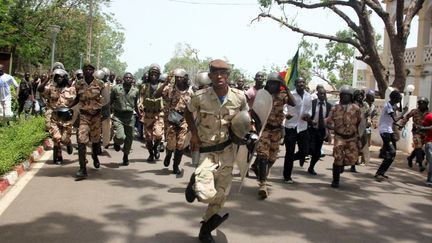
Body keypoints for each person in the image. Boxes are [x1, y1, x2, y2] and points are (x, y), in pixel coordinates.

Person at [184, 59, 248, 243]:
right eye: (215, 73)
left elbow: (245, 118)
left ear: (228, 75)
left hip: (227, 151)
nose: (219, 76)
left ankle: (206, 229)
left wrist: (248, 132)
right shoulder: (200, 96)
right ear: (210, 75)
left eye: (223, 73)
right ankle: (195, 181)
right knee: (206, 195)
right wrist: (194, 134)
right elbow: (188, 112)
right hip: (206, 151)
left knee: (221, 195)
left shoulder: (239, 97)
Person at [252, 72, 295, 199]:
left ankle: (257, 167)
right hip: (265, 129)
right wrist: (257, 127)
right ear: (267, 84)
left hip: (277, 131)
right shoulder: (262, 95)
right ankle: (263, 184)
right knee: (263, 156)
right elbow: (254, 111)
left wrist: (286, 88)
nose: (273, 86)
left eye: (276, 83)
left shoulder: (282, 95)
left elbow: (293, 103)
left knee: (272, 158)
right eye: (271, 83)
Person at [69, 64, 104, 180]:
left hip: (96, 117)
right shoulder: (79, 84)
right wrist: (68, 107)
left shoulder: (100, 83)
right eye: (86, 70)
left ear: (93, 71)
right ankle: (82, 168)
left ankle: (94, 156)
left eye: (90, 69)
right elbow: (77, 99)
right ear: (83, 72)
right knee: (81, 140)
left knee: (96, 140)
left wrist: (106, 115)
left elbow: (106, 99)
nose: (88, 71)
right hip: (84, 116)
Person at [156, 68, 193, 174]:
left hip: (184, 120)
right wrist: (166, 82)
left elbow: (194, 108)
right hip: (171, 119)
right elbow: (157, 95)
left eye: (181, 77)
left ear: (185, 78)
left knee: (181, 145)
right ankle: (168, 154)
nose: (179, 79)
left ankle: (176, 165)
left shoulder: (190, 91)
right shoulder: (170, 89)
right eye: (177, 77)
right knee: (171, 144)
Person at [38, 69, 76, 164]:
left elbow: (76, 101)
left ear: (64, 78)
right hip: (55, 116)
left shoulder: (71, 89)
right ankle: (59, 156)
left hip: (66, 118)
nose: (59, 78)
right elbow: (40, 89)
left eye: (61, 76)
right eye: (57, 77)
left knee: (64, 139)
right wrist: (47, 79)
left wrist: (70, 108)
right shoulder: (51, 88)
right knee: (56, 138)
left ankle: (68, 143)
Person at [326, 85, 361, 188]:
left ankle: (341, 165)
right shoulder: (335, 108)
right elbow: (328, 122)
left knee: (353, 159)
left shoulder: (356, 108)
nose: (345, 97)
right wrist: (332, 127)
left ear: (351, 96)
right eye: (343, 95)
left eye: (347, 95)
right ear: (340, 96)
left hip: (352, 137)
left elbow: (360, 123)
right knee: (337, 158)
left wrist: (359, 138)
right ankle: (335, 180)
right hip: (339, 137)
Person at [283, 77, 312, 183]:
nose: (301, 84)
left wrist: (308, 115)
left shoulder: (308, 96)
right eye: (299, 82)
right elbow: (284, 107)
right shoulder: (290, 94)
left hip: (303, 127)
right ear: (295, 84)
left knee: (305, 151)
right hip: (291, 126)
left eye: (303, 82)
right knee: (289, 152)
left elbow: (309, 109)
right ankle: (287, 176)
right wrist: (286, 114)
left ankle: (294, 158)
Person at [375, 90, 404, 182]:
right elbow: (395, 119)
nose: (398, 101)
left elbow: (392, 120)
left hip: (389, 131)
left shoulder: (392, 106)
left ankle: (381, 173)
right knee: (391, 151)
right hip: (384, 131)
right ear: (394, 98)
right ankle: (379, 173)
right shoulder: (388, 106)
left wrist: (399, 125)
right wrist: (404, 112)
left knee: (393, 153)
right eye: (398, 99)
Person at [110, 72, 139, 166]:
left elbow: (136, 104)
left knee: (129, 138)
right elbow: (110, 101)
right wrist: (106, 113)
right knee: (121, 136)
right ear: (123, 78)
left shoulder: (135, 90)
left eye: (130, 78)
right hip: (118, 116)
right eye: (126, 77)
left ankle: (125, 155)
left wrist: (140, 114)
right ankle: (117, 142)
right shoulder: (116, 88)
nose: (128, 79)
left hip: (130, 117)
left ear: (132, 79)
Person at [139, 64, 165, 162]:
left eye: (156, 73)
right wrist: (140, 108)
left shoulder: (162, 86)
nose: (154, 75)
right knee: (148, 137)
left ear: (159, 75)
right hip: (148, 114)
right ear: (149, 74)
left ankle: (156, 147)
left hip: (159, 114)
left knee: (158, 134)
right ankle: (151, 154)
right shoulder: (145, 86)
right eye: (152, 73)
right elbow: (141, 98)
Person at [399, 97, 429, 172]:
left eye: (423, 104)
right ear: (418, 104)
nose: (422, 105)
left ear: (426, 104)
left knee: (419, 148)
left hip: (425, 134)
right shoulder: (414, 111)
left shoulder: (429, 113)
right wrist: (401, 125)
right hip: (416, 132)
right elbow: (406, 117)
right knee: (418, 147)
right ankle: (420, 165)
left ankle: (410, 158)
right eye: (420, 103)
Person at [307, 86, 332, 175]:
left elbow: (330, 119)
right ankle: (302, 157)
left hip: (321, 131)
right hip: (311, 130)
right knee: (309, 149)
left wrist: (329, 131)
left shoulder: (329, 106)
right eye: (321, 93)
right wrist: (310, 121)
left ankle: (311, 167)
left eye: (324, 94)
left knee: (317, 152)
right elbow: (306, 115)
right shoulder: (312, 103)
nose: (323, 95)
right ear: (317, 94)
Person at [350, 89, 370, 173]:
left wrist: (368, 120)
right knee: (353, 147)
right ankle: (352, 165)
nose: (360, 97)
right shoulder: (353, 105)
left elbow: (367, 116)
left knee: (362, 146)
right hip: (354, 128)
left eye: (361, 95)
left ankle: (356, 162)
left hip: (362, 128)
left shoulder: (365, 105)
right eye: (358, 95)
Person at [101, 67, 112, 150]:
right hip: (96, 108)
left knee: (107, 127)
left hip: (106, 108)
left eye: (106, 76)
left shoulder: (110, 85)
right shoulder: (96, 83)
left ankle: (106, 142)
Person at [420, 113, 432, 186]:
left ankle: (426, 160)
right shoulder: (429, 116)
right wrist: (429, 128)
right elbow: (421, 128)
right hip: (430, 142)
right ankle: (430, 180)